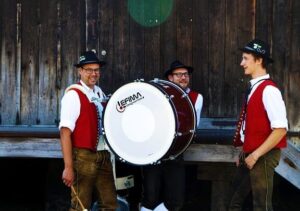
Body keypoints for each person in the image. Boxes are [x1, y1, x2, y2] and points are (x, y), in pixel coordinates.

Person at [229, 39, 288, 211]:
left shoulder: (269, 90)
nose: (242, 63)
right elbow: (253, 124)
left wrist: (255, 155)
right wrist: (244, 150)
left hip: (262, 156)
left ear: (259, 60)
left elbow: (281, 130)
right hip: (250, 154)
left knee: (261, 206)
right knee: (234, 201)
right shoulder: (254, 87)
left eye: (246, 58)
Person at [140, 60, 203, 211]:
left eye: (185, 74)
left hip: (175, 153)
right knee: (150, 198)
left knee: (176, 200)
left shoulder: (196, 97)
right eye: (179, 75)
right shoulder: (157, 95)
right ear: (170, 78)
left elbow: (192, 127)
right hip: (154, 153)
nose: (183, 78)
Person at [59, 50, 117, 211]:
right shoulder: (73, 95)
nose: (94, 74)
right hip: (83, 156)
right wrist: (68, 167)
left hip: (103, 154)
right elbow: (65, 132)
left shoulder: (99, 92)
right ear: (80, 71)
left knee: (110, 204)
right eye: (89, 70)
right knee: (81, 206)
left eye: (96, 70)